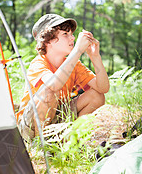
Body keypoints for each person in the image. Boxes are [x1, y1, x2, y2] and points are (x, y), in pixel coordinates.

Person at [16, 13, 110, 141]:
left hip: (57, 116)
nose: (72, 38)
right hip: (31, 126)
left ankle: (70, 141)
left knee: (97, 96)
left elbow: (103, 88)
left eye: (71, 34)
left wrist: (95, 57)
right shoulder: (38, 63)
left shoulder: (74, 64)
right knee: (49, 91)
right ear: (48, 40)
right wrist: (77, 51)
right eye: (65, 34)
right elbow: (53, 85)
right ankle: (40, 146)